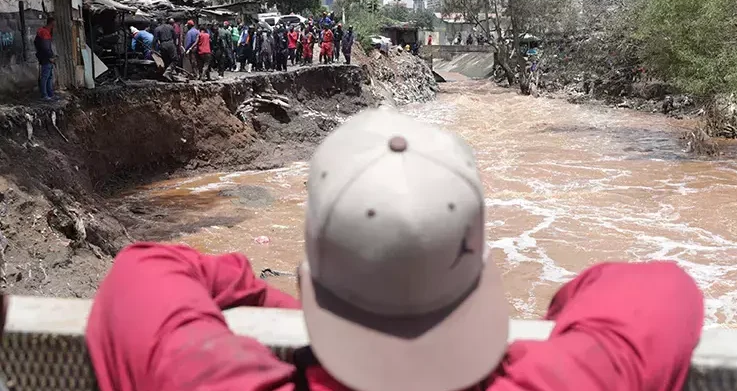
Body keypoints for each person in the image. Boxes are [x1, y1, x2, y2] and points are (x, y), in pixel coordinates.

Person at [86, 107, 704, 391]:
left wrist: (272, 300)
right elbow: (659, 289)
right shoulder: (565, 380)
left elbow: (146, 270)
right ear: (480, 270)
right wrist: (549, 322)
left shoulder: (210, 379)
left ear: (314, 276)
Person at [34, 16, 56, 100]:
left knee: (49, 76)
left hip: (44, 57)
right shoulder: (45, 33)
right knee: (45, 76)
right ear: (52, 24)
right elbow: (46, 47)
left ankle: (50, 94)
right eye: (54, 24)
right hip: (46, 58)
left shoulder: (42, 32)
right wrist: (50, 57)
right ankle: (45, 95)